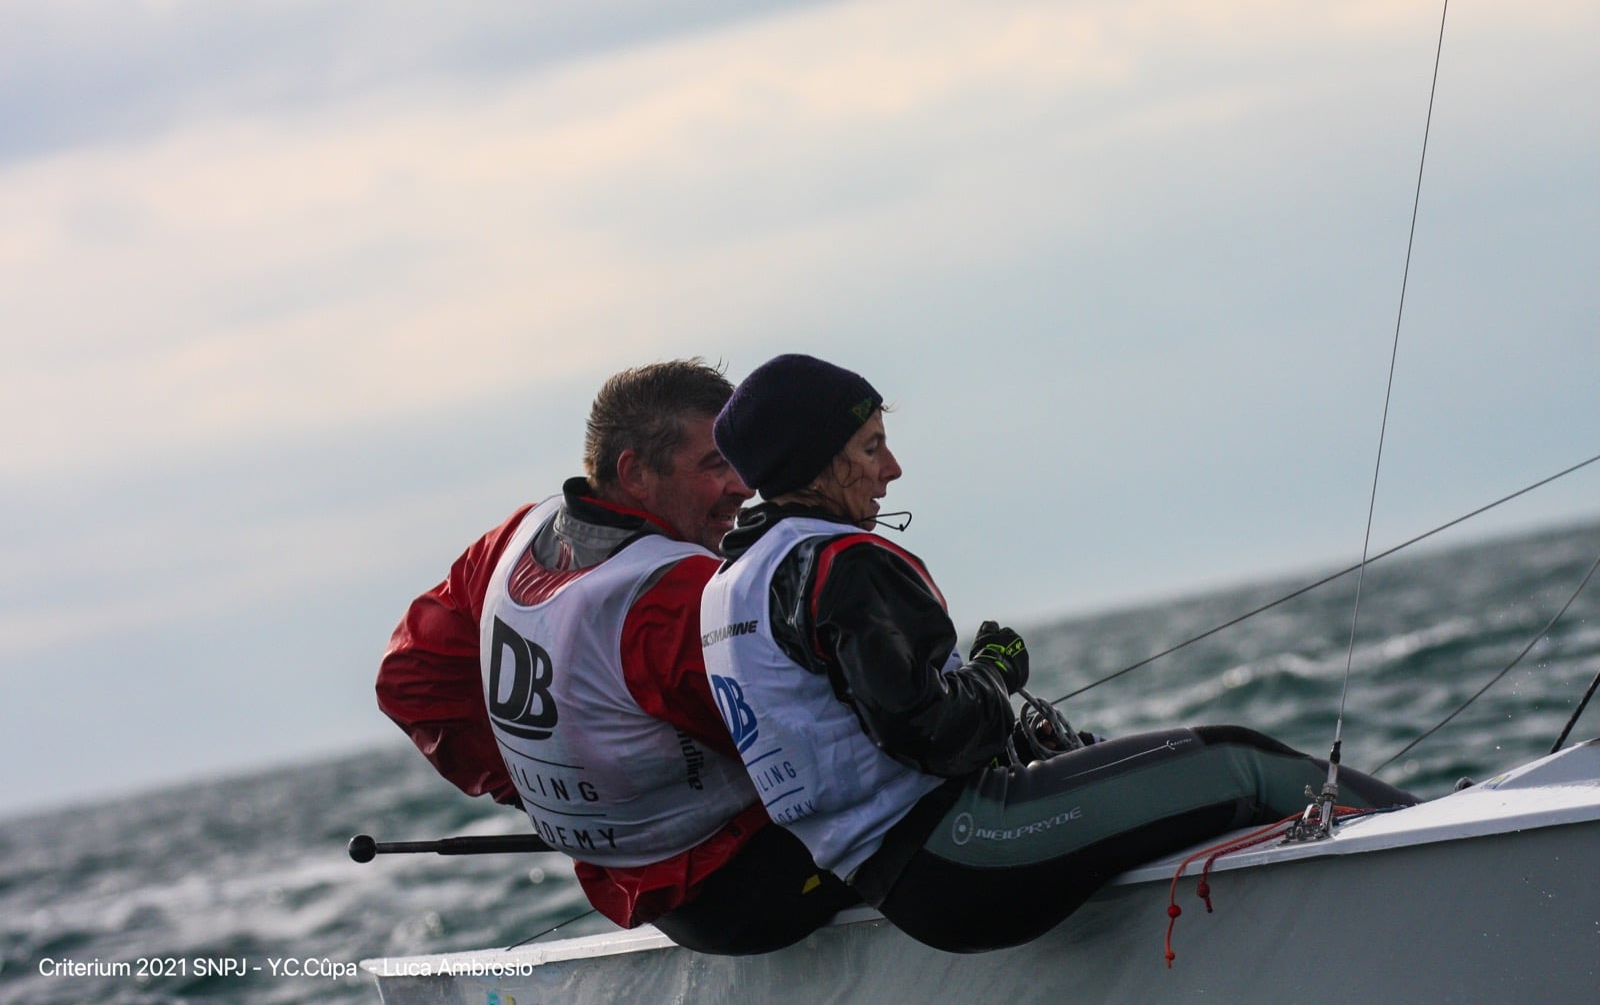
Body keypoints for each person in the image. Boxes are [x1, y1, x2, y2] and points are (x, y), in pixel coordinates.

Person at [700, 353, 1418, 953]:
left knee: (1143, 768)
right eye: (870, 448)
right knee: (1240, 762)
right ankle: (1437, 836)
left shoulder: (729, 586)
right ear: (816, 464)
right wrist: (997, 668)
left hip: (896, 883)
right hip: (965, 853)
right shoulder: (841, 563)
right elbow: (932, 733)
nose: (893, 468)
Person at [376, 359, 859, 954]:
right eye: (716, 465)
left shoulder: (513, 541)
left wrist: (552, 794)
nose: (745, 486)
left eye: (740, 460)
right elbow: (832, 750)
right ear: (634, 473)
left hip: (650, 896)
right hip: (756, 895)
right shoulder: (682, 596)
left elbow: (409, 679)